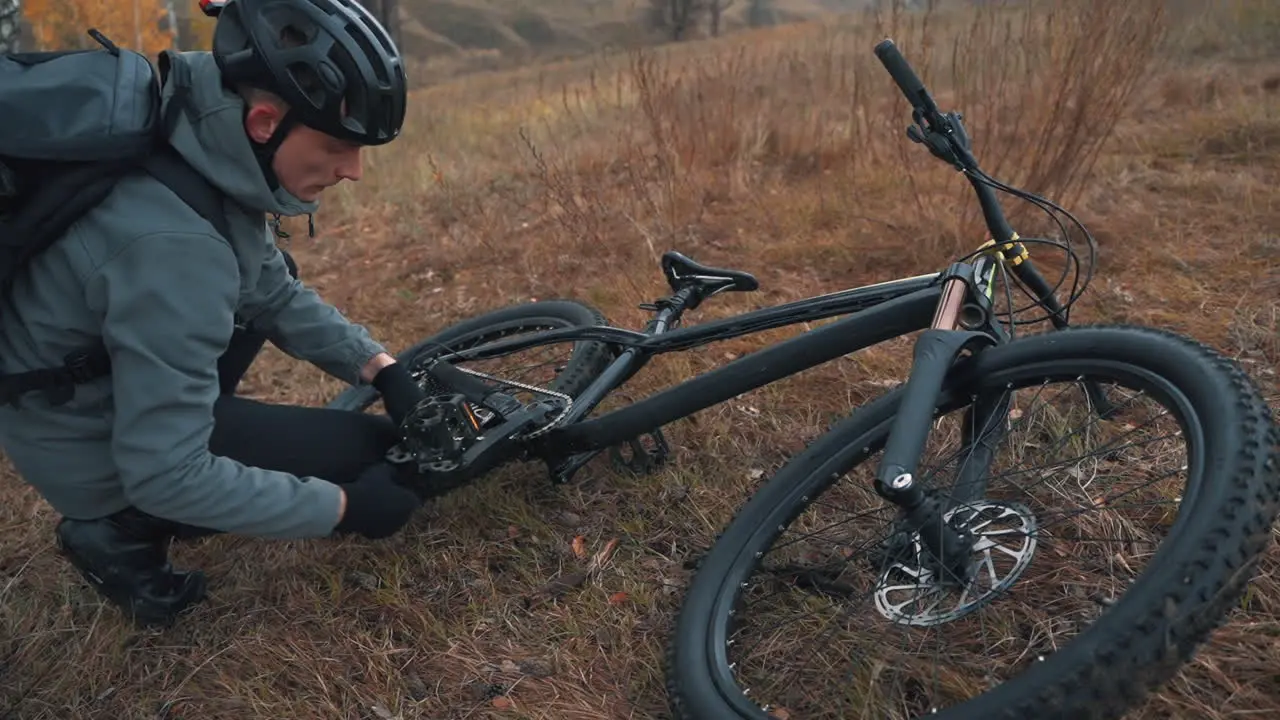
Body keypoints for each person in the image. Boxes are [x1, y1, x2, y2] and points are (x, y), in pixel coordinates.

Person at [0, 0, 431, 629]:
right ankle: (112, 530)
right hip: (83, 440)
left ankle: (154, 457)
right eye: (339, 145)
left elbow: (271, 292)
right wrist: (344, 509)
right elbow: (167, 477)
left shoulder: (191, 133)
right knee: (369, 455)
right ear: (263, 121)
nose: (353, 171)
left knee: (257, 290)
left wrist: (380, 368)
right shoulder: (174, 249)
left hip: (72, 381)